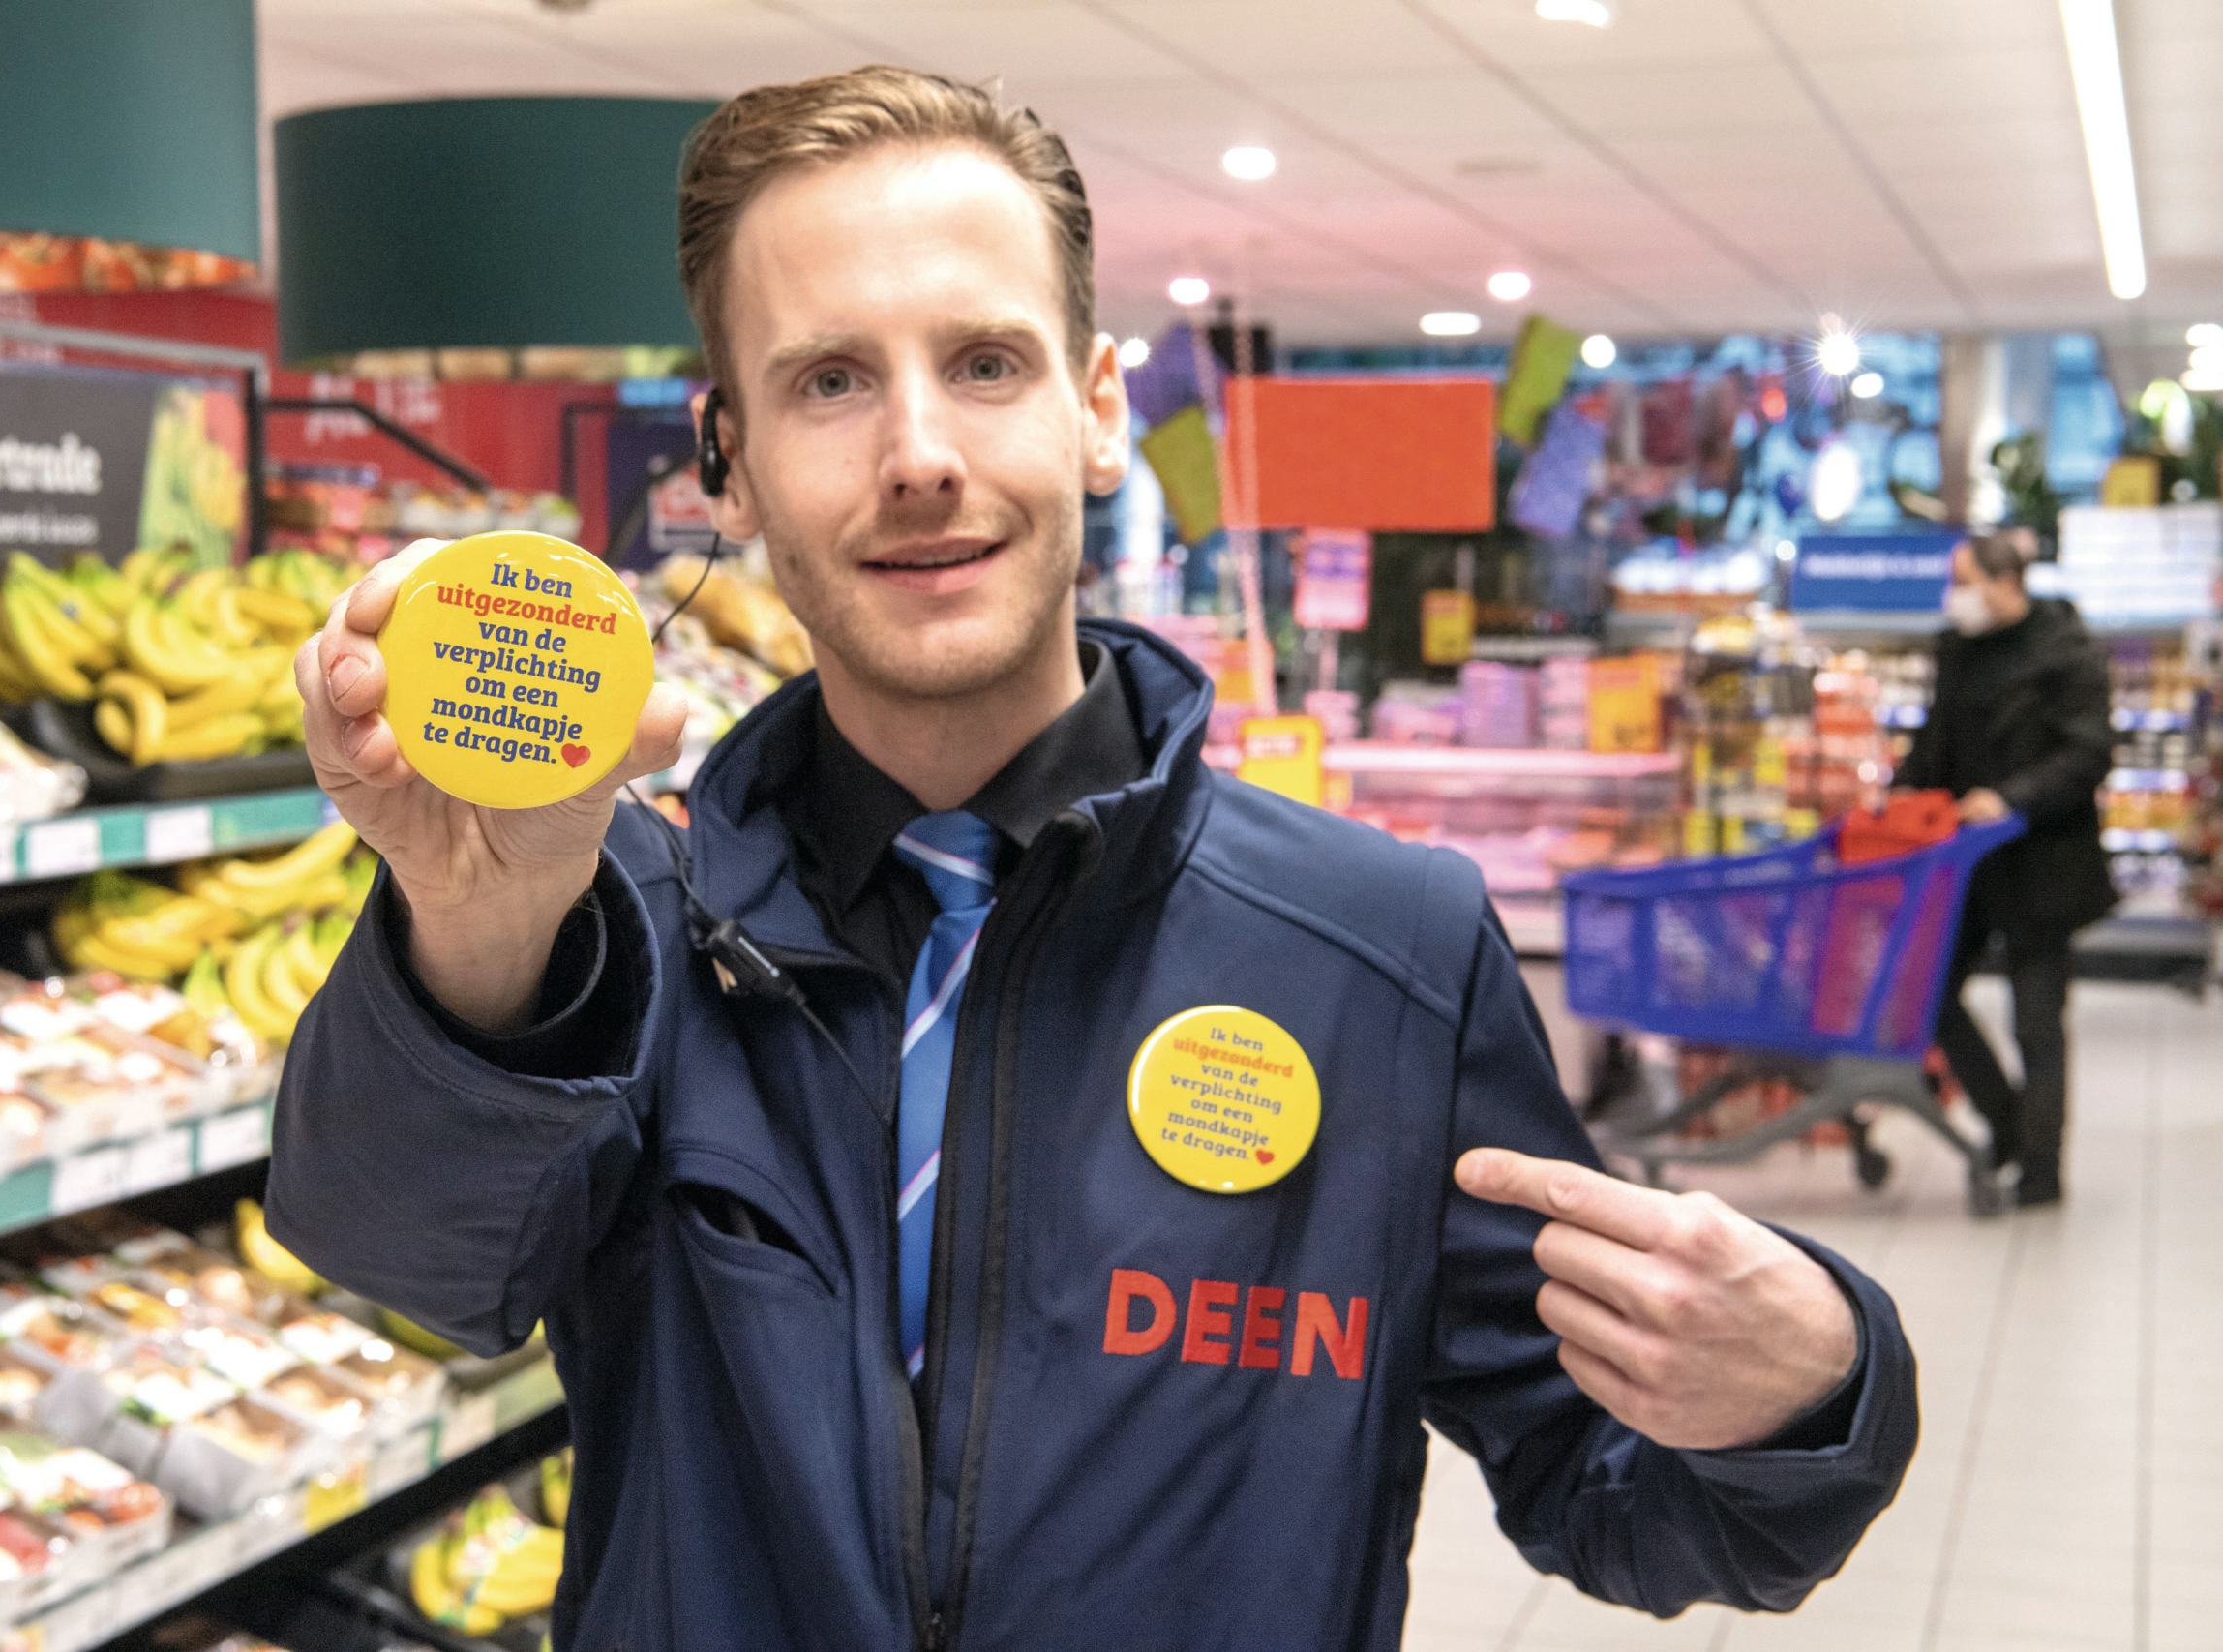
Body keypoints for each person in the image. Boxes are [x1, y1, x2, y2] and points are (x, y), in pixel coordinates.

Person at [270, 67, 1917, 1651]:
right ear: (732, 464)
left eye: (984, 361)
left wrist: (1817, 1386)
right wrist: (474, 925)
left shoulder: (1382, 952)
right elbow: (412, 1272)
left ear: (1100, 407)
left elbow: (1613, 1492)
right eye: (829, 380)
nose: (918, 452)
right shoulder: (618, 927)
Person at [1898, 530, 2117, 1207]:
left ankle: (2042, 1167)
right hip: (1963, 864)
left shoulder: (2065, 651)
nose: (1954, 595)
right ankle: (2006, 1122)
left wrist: (2011, 798)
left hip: (2043, 862)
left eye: (1963, 580)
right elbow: (1937, 737)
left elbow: (2089, 753)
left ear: (2004, 582)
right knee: (1928, 993)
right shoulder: (1958, 647)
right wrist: (1901, 793)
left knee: (2036, 1020)